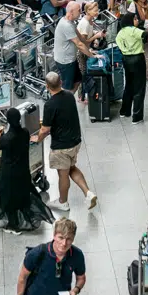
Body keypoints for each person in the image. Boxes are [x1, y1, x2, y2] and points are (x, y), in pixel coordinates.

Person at [33, 72, 97, 212]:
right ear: (61, 82)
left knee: (63, 174)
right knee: (71, 168)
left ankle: (63, 202)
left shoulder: (50, 105)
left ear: (47, 86)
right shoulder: (69, 95)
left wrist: (36, 138)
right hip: (75, 141)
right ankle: (88, 192)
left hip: (61, 146)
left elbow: (45, 130)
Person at [0, 108, 54, 234]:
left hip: (9, 173)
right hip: (22, 170)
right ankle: (19, 220)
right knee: (20, 195)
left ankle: (13, 225)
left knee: (8, 197)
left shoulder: (6, 138)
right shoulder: (25, 132)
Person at [116, 12, 148, 123]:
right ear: (130, 21)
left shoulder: (120, 33)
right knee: (139, 87)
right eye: (135, 19)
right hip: (137, 59)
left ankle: (124, 111)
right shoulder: (134, 31)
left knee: (129, 85)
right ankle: (137, 116)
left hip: (126, 59)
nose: (136, 20)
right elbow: (146, 34)